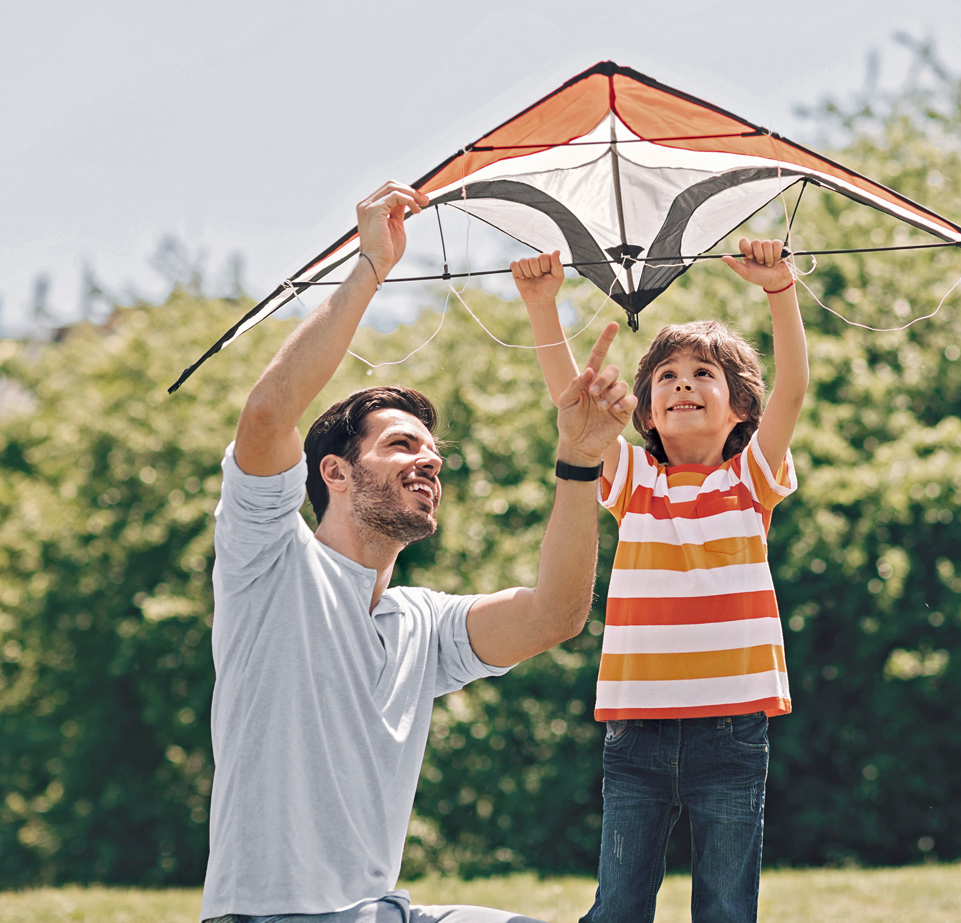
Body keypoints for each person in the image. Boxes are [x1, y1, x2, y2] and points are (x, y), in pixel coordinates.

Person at [200, 182, 637, 923]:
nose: (430, 461)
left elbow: (556, 615)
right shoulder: (269, 563)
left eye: (435, 452)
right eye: (402, 444)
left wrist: (579, 459)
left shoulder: (420, 625)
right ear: (334, 472)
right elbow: (270, 414)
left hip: (381, 911)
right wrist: (372, 263)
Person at [513, 239, 808, 923]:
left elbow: (793, 387)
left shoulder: (750, 478)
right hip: (636, 733)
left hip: (732, 732)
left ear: (740, 409)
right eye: (667, 374)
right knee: (618, 907)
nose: (681, 383)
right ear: (645, 411)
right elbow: (574, 409)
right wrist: (541, 308)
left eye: (703, 372)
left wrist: (780, 290)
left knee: (727, 909)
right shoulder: (635, 480)